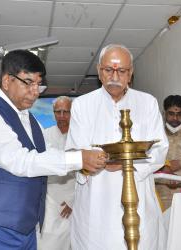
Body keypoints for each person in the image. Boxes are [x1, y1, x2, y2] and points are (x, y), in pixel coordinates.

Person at [0, 50, 106, 250]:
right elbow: (21, 161)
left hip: (29, 227)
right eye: (28, 83)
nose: (36, 91)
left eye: (39, 84)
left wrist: (93, 154)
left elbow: (49, 154)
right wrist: (78, 159)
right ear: (6, 81)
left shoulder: (31, 119)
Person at [65, 44, 169, 250]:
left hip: (139, 195)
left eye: (121, 71)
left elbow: (160, 149)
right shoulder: (82, 104)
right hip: (96, 201)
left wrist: (127, 165)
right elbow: (74, 152)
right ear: (98, 71)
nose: (115, 76)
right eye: (108, 70)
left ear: (130, 73)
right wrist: (92, 162)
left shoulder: (147, 102)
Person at [37, 96, 74, 250]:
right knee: (45, 241)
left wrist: (74, 202)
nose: (61, 116)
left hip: (73, 199)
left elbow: (87, 174)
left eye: (66, 112)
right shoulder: (45, 135)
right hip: (49, 199)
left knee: (68, 241)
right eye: (58, 112)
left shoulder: (79, 136)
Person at [155, 95, 181, 210]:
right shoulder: (155, 136)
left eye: (179, 114)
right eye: (171, 113)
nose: (175, 118)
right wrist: (164, 169)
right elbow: (147, 163)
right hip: (161, 195)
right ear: (164, 113)